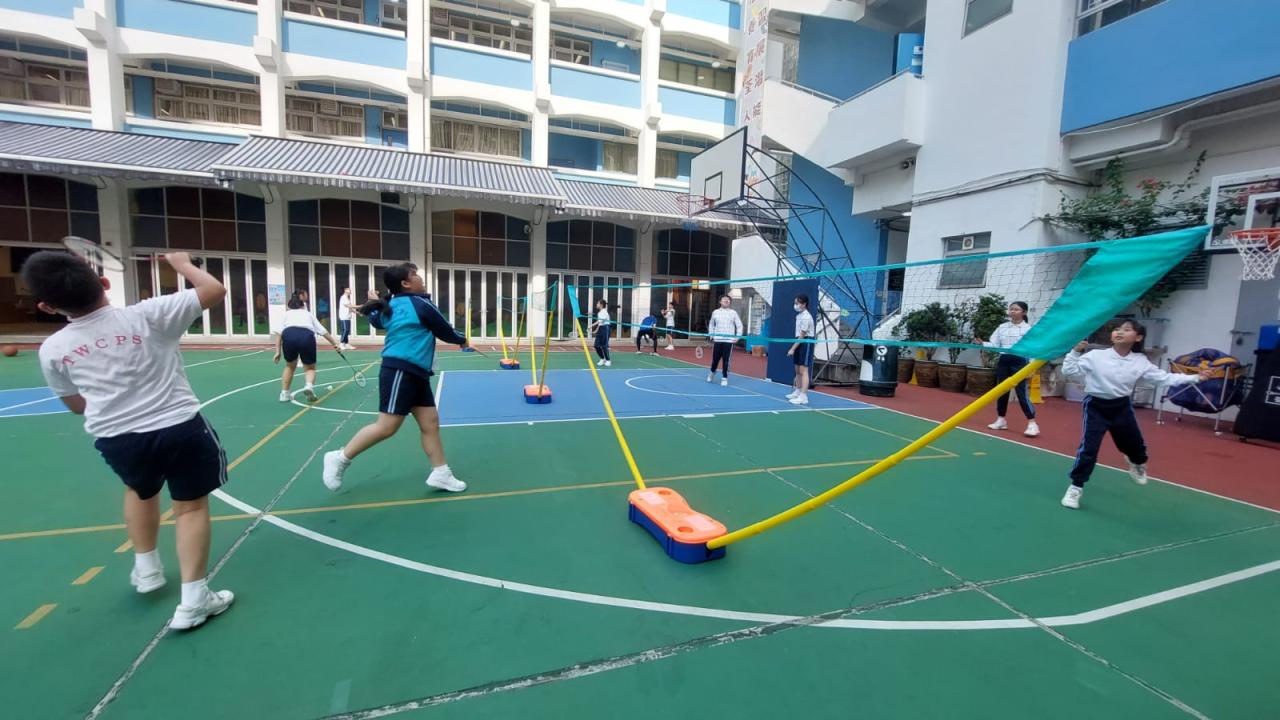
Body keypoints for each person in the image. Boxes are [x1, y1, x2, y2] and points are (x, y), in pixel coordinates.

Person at [22, 250, 234, 630]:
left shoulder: (52, 349)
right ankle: (194, 600)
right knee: (190, 508)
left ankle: (147, 567)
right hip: (178, 425)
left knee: (139, 490)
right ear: (104, 283)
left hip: (118, 438)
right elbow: (214, 290)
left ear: (47, 306)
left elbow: (76, 405)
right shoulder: (148, 314)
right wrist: (182, 264)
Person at [322, 263, 469, 493]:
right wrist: (462, 339)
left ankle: (441, 473)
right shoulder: (419, 303)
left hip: (417, 373)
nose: (420, 278)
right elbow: (444, 329)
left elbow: (375, 319)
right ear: (405, 283)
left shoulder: (391, 305)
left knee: (430, 423)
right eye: (415, 275)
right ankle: (339, 458)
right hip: (401, 370)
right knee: (387, 427)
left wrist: (374, 302)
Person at [1059, 320, 1207, 510]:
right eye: (1117, 329)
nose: (1119, 332)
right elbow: (1069, 371)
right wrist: (1075, 351)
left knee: (1136, 446)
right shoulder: (1096, 356)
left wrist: (1197, 377)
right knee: (1089, 448)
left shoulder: (1140, 361)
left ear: (1138, 337)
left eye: (1126, 330)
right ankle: (1076, 486)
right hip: (1096, 406)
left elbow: (1164, 378)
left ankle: (1137, 463)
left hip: (1121, 407)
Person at [977, 301, 1039, 437]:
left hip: (1020, 361)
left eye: (1016, 309)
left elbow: (1033, 349)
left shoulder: (1029, 329)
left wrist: (1032, 367)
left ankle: (1032, 423)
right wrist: (983, 343)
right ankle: (1001, 420)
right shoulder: (1002, 327)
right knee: (1002, 391)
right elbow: (995, 344)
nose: (1012, 311)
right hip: (1004, 360)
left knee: (1021, 393)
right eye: (1011, 309)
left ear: (1024, 312)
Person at [273, 295, 340, 403]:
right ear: (302, 306)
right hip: (306, 336)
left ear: (289, 307)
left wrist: (277, 352)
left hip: (289, 336)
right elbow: (323, 331)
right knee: (310, 368)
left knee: (290, 366)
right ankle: (308, 386)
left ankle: (284, 394)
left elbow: (278, 333)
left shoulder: (285, 315)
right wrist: (335, 344)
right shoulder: (308, 314)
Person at [705, 295, 743, 387]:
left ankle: (724, 377)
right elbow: (711, 324)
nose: (726, 301)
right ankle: (712, 372)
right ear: (720, 302)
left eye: (728, 300)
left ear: (730, 302)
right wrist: (711, 335)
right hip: (718, 340)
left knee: (726, 360)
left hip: (728, 341)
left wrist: (738, 337)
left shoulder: (733, 313)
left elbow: (739, 325)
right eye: (724, 299)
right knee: (715, 360)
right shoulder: (715, 312)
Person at [786, 294, 814, 406]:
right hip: (798, 340)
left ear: (804, 304)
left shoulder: (806, 317)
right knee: (797, 369)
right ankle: (797, 391)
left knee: (804, 370)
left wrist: (792, 349)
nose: (795, 305)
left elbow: (802, 336)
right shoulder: (799, 316)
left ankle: (803, 396)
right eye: (795, 303)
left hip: (806, 342)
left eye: (797, 303)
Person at [589, 299, 612, 367]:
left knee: (604, 346)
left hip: (605, 328)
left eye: (597, 303)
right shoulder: (600, 313)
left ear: (601, 305)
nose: (596, 304)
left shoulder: (604, 312)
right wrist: (596, 330)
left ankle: (608, 360)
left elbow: (600, 321)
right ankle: (602, 358)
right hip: (601, 328)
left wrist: (591, 326)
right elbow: (600, 323)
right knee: (596, 345)